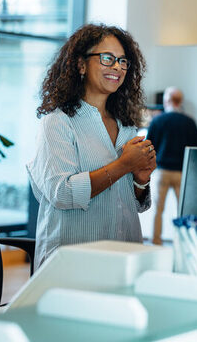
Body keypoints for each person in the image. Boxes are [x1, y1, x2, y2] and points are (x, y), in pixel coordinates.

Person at [27, 24, 156, 269]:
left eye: (123, 61)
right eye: (107, 59)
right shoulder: (57, 122)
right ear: (81, 65)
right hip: (71, 262)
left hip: (124, 257)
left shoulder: (126, 127)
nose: (117, 67)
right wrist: (123, 165)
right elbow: (61, 193)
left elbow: (132, 204)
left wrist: (140, 180)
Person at [147, 87, 197, 245]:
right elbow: (196, 149)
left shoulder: (158, 121)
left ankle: (156, 241)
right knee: (182, 210)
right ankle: (182, 241)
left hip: (162, 171)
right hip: (181, 173)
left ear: (166, 101)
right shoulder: (189, 122)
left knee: (158, 210)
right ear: (181, 101)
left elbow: (150, 146)